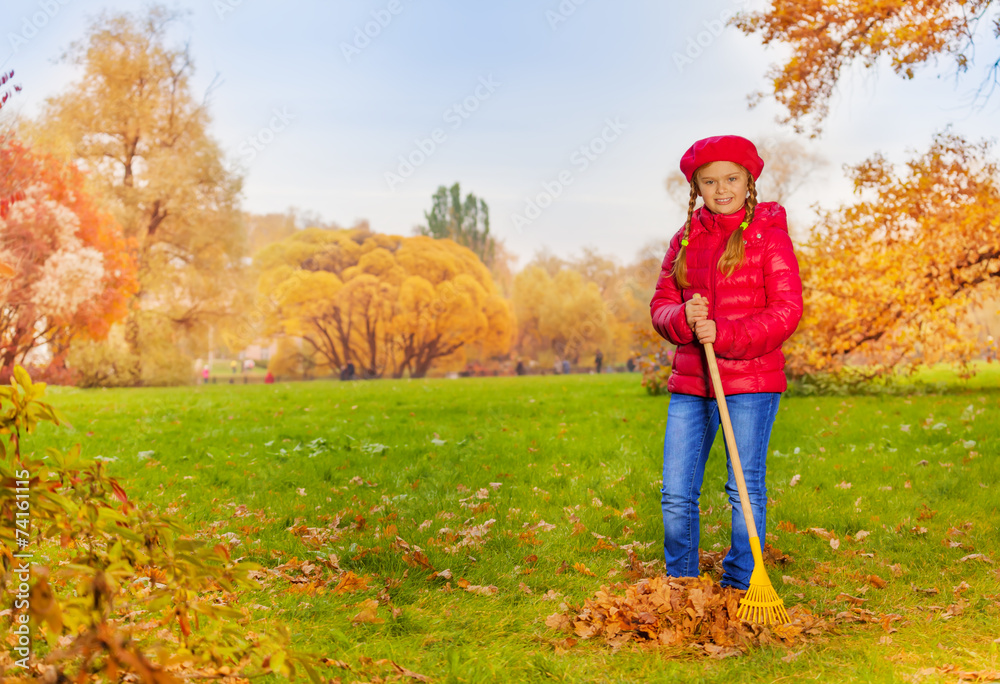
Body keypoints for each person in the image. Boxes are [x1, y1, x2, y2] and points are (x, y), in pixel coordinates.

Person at [649, 135, 802, 591]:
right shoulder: (684, 240)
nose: (721, 189)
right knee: (677, 491)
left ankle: (740, 582)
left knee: (743, 488)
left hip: (752, 381)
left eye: (731, 178)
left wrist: (727, 334)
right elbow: (660, 305)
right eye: (709, 180)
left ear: (748, 180)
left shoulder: (769, 238)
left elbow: (786, 310)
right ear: (695, 185)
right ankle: (682, 585)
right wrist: (682, 318)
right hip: (692, 382)